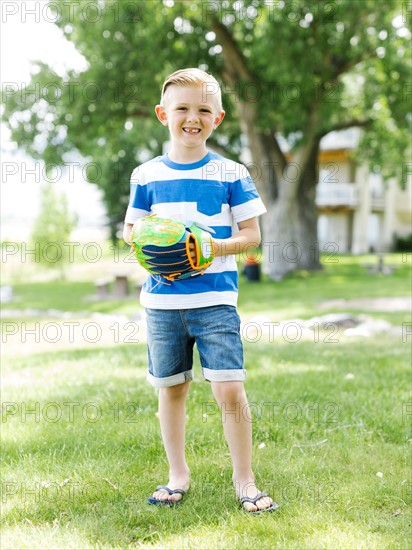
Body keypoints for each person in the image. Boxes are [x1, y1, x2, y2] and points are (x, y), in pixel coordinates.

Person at [123, 68, 277, 514]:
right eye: (183, 109)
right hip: (162, 302)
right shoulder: (145, 174)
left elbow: (251, 236)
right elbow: (131, 229)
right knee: (171, 388)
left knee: (229, 389)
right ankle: (177, 475)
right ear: (163, 114)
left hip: (215, 301)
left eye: (203, 110)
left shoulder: (231, 171)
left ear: (218, 118)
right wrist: (149, 247)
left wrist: (209, 247)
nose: (193, 117)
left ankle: (244, 480)